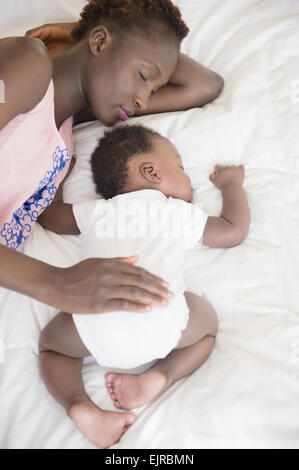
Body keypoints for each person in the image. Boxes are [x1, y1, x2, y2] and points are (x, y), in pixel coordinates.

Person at [0, 0, 225, 315]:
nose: (143, 101)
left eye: (154, 89)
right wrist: (55, 283)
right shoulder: (27, 61)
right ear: (100, 41)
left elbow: (205, 85)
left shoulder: (64, 132)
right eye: (143, 75)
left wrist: (80, 35)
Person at [38, 124, 250, 448]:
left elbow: (49, 216)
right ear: (151, 172)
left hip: (94, 325)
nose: (187, 177)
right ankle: (161, 376)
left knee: (52, 347)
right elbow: (233, 230)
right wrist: (232, 185)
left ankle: (77, 403)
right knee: (207, 325)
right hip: (162, 324)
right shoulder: (177, 213)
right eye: (180, 167)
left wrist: (60, 174)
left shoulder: (97, 212)